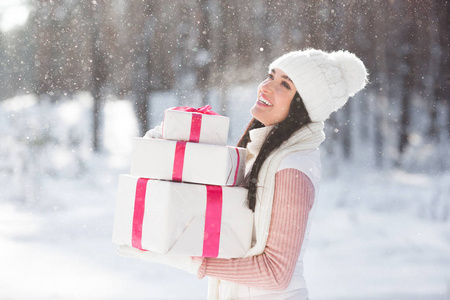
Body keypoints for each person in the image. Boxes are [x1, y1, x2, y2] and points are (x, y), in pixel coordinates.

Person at [118, 48, 368, 300]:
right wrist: (169, 150)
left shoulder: (292, 167)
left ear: (302, 107)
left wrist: (186, 260)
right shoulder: (260, 154)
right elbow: (213, 210)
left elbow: (276, 273)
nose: (266, 87)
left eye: (284, 84)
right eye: (271, 75)